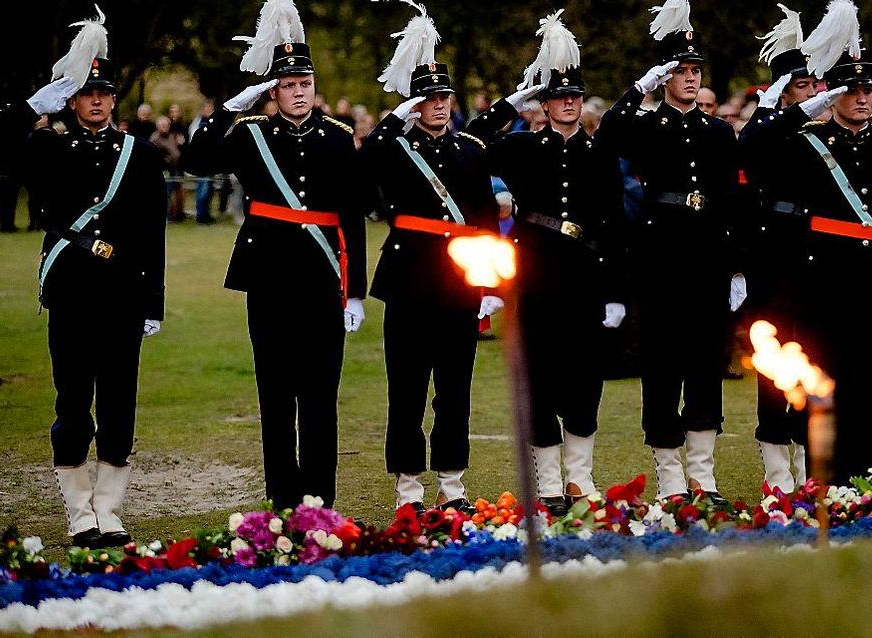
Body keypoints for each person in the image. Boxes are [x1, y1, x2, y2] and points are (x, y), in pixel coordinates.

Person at [0, 7, 166, 548]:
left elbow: (152, 233)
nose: (97, 101)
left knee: (119, 404)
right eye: (86, 93)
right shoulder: (47, 146)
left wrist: (152, 302)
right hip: (68, 293)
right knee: (71, 404)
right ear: (72, 97)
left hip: (123, 296)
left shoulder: (141, 155)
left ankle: (110, 510)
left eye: (104, 93)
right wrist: (32, 106)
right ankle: (79, 512)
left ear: (113, 98)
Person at [183, 0, 367, 511]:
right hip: (268, 281)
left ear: (314, 86)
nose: (299, 91)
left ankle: (320, 503)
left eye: (305, 83)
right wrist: (229, 108)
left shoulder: (337, 138)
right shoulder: (250, 134)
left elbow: (352, 217)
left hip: (322, 281)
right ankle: (283, 501)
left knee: (320, 399)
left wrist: (355, 294)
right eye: (288, 85)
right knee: (276, 397)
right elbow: (196, 160)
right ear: (274, 91)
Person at [734, 0, 872, 485]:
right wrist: (803, 109)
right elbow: (754, 146)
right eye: (851, 90)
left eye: (867, 89)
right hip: (823, 281)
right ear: (833, 95)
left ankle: (863, 481)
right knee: (825, 381)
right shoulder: (809, 140)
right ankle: (825, 484)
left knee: (866, 384)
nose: (862, 98)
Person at [466, 10, 626, 515]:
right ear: (545, 103)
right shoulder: (520, 147)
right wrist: (514, 99)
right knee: (537, 376)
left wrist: (616, 290)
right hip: (533, 270)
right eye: (559, 97)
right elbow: (472, 142)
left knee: (584, 379)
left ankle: (579, 478)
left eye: (575, 97)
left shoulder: (599, 154)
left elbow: (615, 224)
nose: (569, 104)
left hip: (583, 272)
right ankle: (548, 483)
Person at [597, 0, 739, 502]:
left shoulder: (719, 131)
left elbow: (730, 199)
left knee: (706, 364)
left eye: (695, 70)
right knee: (662, 365)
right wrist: (640, 88)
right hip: (660, 258)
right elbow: (607, 137)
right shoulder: (644, 124)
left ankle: (703, 474)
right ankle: (671, 476)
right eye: (680, 70)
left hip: (707, 258)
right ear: (664, 76)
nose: (690, 77)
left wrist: (735, 267)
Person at [361, 2, 498, 515]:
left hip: (460, 282)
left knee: (455, 391)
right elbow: (365, 163)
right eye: (429, 99)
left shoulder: (471, 150)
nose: (440, 106)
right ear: (415, 105)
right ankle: (409, 489)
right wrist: (392, 118)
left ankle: (453, 485)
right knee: (408, 390)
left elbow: (484, 219)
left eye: (444, 97)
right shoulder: (394, 147)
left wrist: (489, 284)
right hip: (409, 281)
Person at [738, 3, 818, 492]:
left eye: (814, 84)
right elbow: (753, 142)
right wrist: (776, 105)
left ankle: (814, 469)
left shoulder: (824, 129)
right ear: (784, 91)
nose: (814, 93)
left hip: (820, 257)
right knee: (774, 366)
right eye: (803, 86)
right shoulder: (771, 128)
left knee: (818, 360)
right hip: (775, 260)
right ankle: (777, 474)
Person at [149, 116, 186, 222]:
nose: (166, 127)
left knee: (179, 193)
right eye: (163, 126)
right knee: (166, 193)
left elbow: (177, 152)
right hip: (164, 170)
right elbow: (155, 156)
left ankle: (178, 214)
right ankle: (166, 216)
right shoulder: (155, 139)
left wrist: (180, 145)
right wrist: (166, 159)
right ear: (158, 126)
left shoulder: (171, 136)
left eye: (167, 125)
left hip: (176, 168)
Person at [188, 99, 219, 224]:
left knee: (209, 189)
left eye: (210, 108)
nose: (208, 111)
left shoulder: (215, 123)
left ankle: (206, 213)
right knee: (203, 188)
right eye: (206, 108)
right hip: (201, 161)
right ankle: (201, 215)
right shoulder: (197, 124)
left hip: (211, 161)